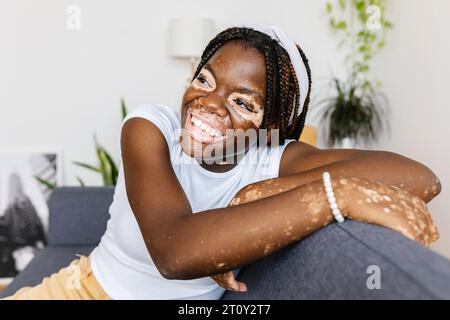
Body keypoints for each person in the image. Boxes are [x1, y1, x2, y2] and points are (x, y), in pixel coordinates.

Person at [4, 25, 441, 300]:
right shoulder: (148, 126)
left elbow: (420, 178)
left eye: (241, 101)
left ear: (271, 125)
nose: (208, 105)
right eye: (204, 80)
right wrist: (335, 195)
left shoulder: (271, 158)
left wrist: (259, 192)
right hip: (80, 291)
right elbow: (174, 252)